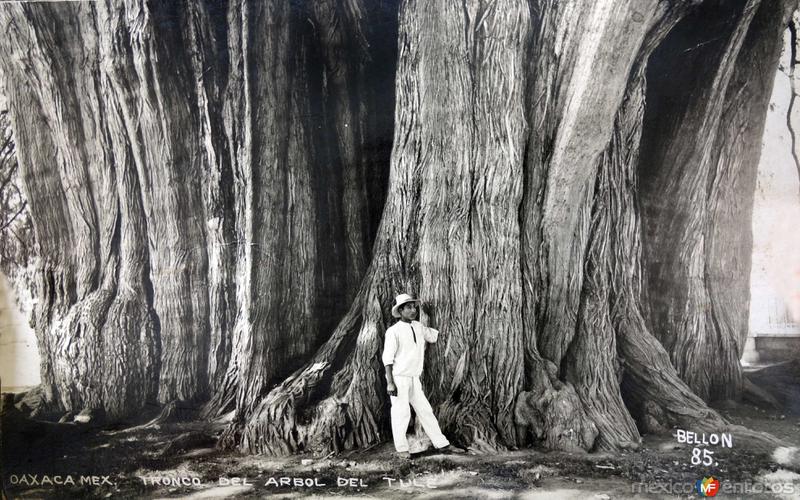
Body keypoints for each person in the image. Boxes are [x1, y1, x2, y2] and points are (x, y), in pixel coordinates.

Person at [382, 293, 464, 458]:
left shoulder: (418, 327)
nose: (413, 310)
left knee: (426, 410)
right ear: (401, 310)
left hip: (414, 379)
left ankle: (442, 444)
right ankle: (402, 449)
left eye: (414, 307)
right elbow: (387, 359)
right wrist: (390, 382)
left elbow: (433, 336)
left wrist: (435, 315)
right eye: (409, 307)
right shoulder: (393, 331)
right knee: (401, 413)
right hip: (399, 379)